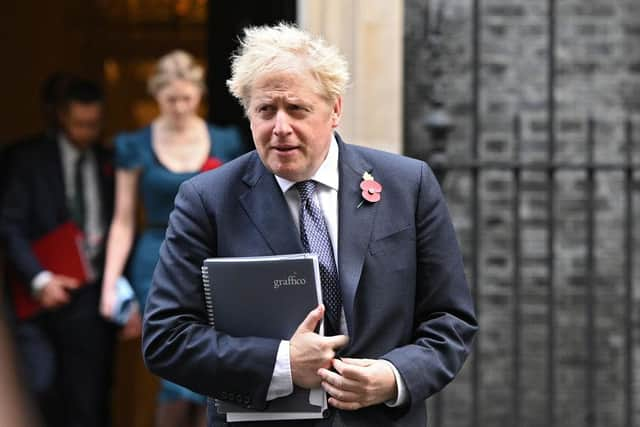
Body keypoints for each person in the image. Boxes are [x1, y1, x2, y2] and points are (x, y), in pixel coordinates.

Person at [142, 24, 478, 427]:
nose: (280, 127)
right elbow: (166, 337)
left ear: (334, 109)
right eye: (266, 110)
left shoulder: (409, 184)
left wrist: (393, 377)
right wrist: (282, 363)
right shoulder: (206, 199)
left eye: (297, 109)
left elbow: (450, 320)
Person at [99, 50, 245, 427]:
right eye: (170, 99)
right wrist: (110, 284)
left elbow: (237, 210)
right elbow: (123, 219)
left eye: (187, 98)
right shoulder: (135, 144)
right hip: (156, 257)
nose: (179, 107)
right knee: (175, 364)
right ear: (156, 96)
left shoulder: (225, 141)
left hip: (212, 256)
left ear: (199, 94)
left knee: (208, 361)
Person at [0, 76, 116, 426]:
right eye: (80, 124)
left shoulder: (109, 160)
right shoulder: (27, 160)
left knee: (89, 400)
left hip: (91, 301)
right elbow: (9, 225)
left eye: (94, 124)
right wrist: (39, 278)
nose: (87, 132)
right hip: (38, 299)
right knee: (41, 385)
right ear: (62, 117)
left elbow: (122, 227)